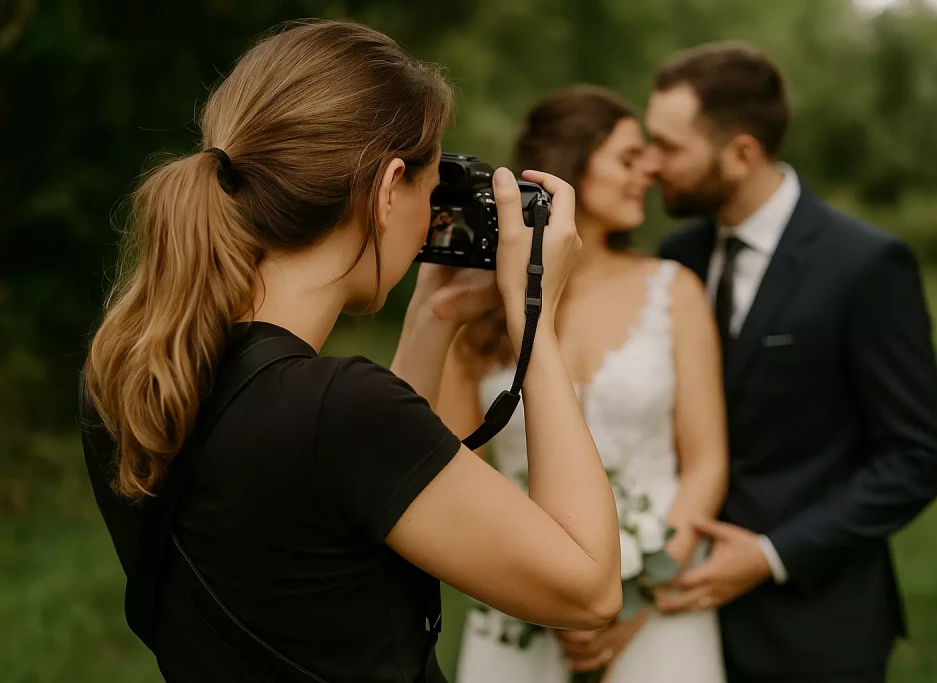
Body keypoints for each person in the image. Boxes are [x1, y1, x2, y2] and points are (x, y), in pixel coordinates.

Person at [78, 20, 623, 682]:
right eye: (431, 187)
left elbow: (351, 493)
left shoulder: (131, 378)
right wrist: (534, 316)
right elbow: (589, 588)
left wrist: (432, 315)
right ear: (390, 188)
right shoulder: (336, 408)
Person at [645, 42, 937, 683]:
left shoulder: (865, 267)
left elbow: (918, 457)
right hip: (680, 621)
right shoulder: (677, 257)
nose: (650, 166)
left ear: (742, 153)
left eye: (669, 147)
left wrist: (769, 554)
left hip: (816, 628)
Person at [440, 85, 729, 683]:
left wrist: (639, 595)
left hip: (657, 615)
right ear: (570, 161)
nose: (648, 171)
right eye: (628, 158)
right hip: (521, 601)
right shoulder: (484, 304)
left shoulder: (674, 291)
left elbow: (705, 465)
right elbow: (450, 465)